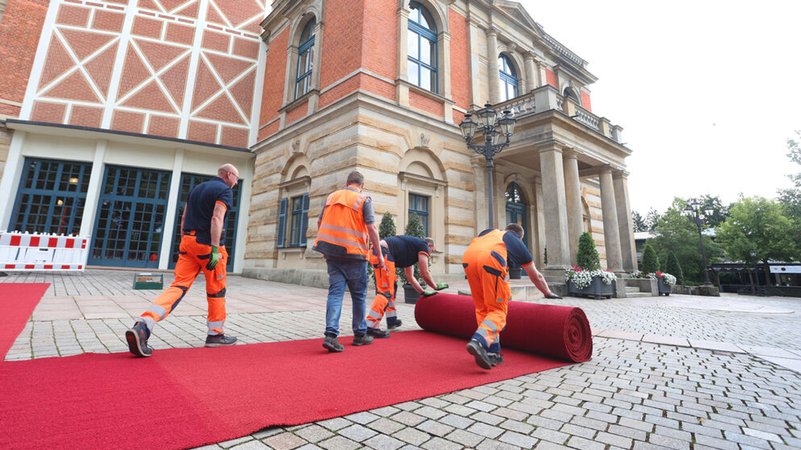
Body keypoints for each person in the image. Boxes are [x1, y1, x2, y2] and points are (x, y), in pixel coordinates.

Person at [125, 164, 240, 357]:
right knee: (216, 290)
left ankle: (144, 325)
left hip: (188, 242)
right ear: (228, 175)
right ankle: (215, 335)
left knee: (178, 286)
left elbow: (184, 217)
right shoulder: (224, 190)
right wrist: (213, 248)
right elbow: (216, 219)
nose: (236, 182)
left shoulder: (196, 190)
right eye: (236, 178)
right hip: (208, 245)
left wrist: (184, 242)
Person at [462, 223, 561, 369]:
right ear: (520, 237)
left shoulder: (490, 233)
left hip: (468, 260)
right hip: (490, 260)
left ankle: (491, 352)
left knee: (483, 308)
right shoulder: (516, 242)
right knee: (498, 311)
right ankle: (479, 340)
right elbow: (536, 276)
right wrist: (547, 292)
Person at [313, 170, 385, 353]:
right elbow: (371, 228)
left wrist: (325, 246)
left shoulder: (332, 197)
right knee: (358, 295)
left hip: (332, 253)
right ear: (361, 185)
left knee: (335, 293)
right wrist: (380, 255)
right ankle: (360, 335)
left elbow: (320, 222)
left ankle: (331, 335)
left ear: (348, 182)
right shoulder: (363, 199)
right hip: (354, 254)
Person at [366, 235, 448, 337]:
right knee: (385, 292)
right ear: (429, 245)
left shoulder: (410, 251)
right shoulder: (423, 245)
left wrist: (422, 292)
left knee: (391, 288)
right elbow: (424, 272)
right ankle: (370, 326)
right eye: (432, 250)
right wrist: (435, 286)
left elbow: (410, 277)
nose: (430, 254)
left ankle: (392, 320)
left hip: (379, 252)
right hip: (383, 253)